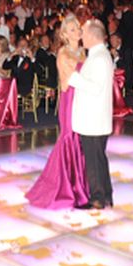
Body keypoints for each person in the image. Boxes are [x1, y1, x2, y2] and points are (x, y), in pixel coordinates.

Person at [26, 15, 89, 209]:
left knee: (81, 139)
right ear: (63, 34)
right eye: (71, 29)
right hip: (70, 99)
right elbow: (70, 78)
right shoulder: (63, 53)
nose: (76, 30)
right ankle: (66, 187)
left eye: (77, 27)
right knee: (70, 137)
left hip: (84, 98)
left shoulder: (83, 52)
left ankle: (81, 184)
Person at [69, 19, 115, 209]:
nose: (82, 37)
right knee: (99, 158)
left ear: (93, 36)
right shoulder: (98, 55)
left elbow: (95, 87)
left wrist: (73, 78)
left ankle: (97, 198)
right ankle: (106, 194)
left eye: (84, 34)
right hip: (95, 117)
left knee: (94, 160)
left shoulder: (99, 58)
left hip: (93, 118)